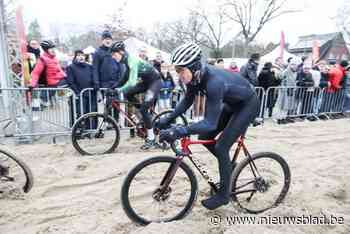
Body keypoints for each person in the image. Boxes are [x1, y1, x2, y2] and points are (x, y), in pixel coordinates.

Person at [155, 43, 259, 210]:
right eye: (177, 70)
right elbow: (187, 101)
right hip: (232, 103)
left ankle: (224, 196)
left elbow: (210, 123)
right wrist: (167, 119)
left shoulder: (213, 82)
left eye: (181, 70)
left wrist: (179, 130)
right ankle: (228, 166)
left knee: (222, 147)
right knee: (205, 138)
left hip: (247, 105)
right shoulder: (195, 77)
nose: (178, 74)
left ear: (194, 66)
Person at [110, 41, 163, 150]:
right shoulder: (126, 61)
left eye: (114, 55)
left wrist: (117, 90)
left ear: (121, 52)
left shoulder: (132, 60)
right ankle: (144, 114)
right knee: (128, 93)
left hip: (155, 82)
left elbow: (132, 82)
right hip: (146, 82)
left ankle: (152, 139)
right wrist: (113, 88)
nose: (113, 58)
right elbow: (125, 78)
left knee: (143, 109)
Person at [30, 40, 66, 107]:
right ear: (46, 50)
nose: (53, 50)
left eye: (53, 48)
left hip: (57, 83)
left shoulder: (55, 58)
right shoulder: (42, 59)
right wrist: (32, 84)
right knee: (44, 104)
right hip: (50, 85)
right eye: (51, 48)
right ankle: (41, 102)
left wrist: (66, 76)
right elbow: (36, 73)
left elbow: (60, 71)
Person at [66, 50, 97, 121]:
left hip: (90, 94)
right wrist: (77, 92)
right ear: (75, 57)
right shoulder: (71, 67)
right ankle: (80, 129)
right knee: (81, 113)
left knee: (92, 113)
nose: (81, 57)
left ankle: (91, 129)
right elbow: (70, 82)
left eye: (82, 55)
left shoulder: (90, 66)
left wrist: (95, 86)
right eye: (79, 55)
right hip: (79, 94)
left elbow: (94, 78)